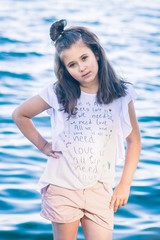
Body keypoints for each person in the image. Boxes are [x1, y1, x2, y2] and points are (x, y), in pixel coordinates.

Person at [12, 19, 141, 240]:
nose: (81, 67)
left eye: (84, 58)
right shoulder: (57, 92)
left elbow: (134, 142)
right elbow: (20, 114)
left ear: (96, 54)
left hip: (100, 189)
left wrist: (124, 185)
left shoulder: (120, 94)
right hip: (62, 187)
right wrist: (42, 145)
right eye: (72, 64)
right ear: (65, 69)